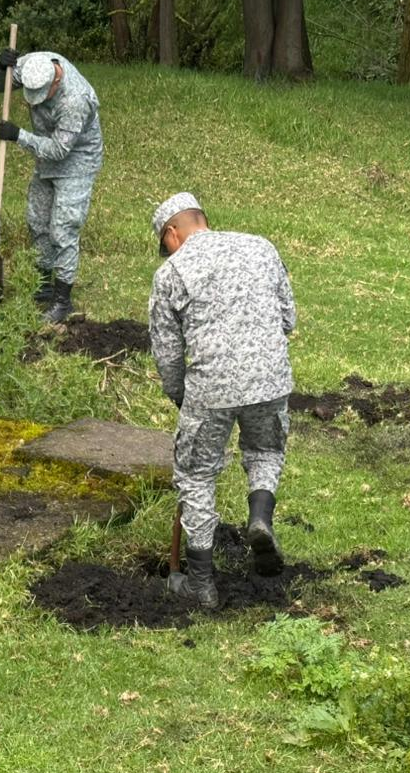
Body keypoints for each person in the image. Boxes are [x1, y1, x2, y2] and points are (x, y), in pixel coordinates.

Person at [147, 192, 296, 609]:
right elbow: (288, 318)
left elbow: (168, 354)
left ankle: (200, 583)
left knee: (196, 474)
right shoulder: (261, 247)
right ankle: (260, 518)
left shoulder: (172, 272)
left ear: (172, 233)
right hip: (270, 379)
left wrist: (180, 396)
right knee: (265, 450)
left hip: (211, 386)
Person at [0, 48, 102, 323]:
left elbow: (59, 150)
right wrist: (0, 68)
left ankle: (62, 301)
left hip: (76, 161)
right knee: (37, 221)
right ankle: (44, 285)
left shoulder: (76, 100)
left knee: (63, 228)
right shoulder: (31, 66)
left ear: (55, 81)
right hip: (45, 159)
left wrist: (19, 136)